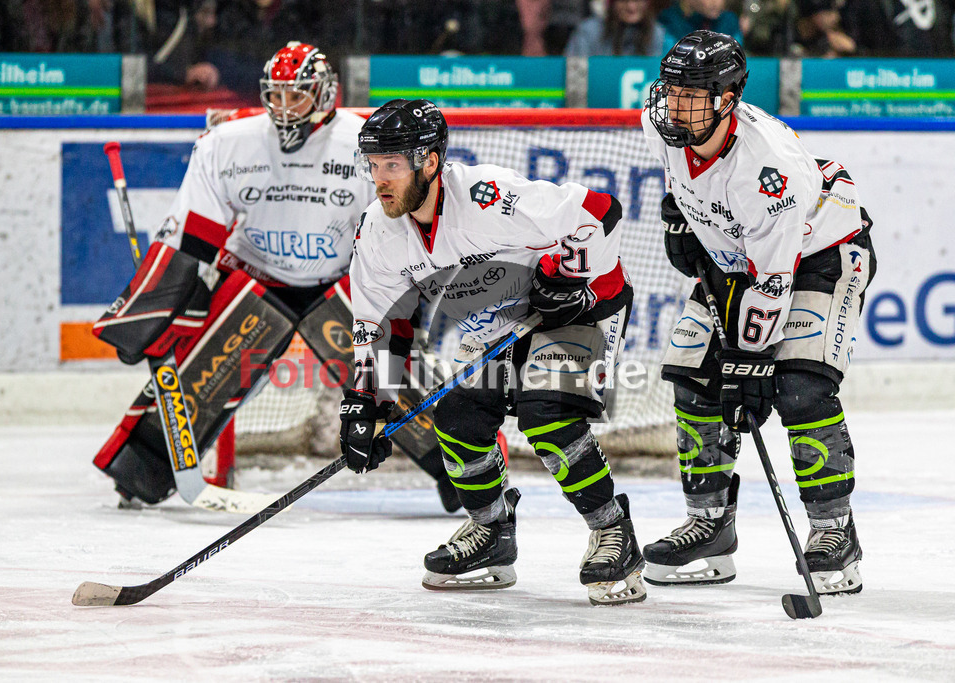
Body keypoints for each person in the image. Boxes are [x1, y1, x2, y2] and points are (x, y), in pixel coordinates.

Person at [92, 44, 459, 513]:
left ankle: (464, 468)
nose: (285, 108)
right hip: (257, 273)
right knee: (208, 367)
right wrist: (147, 311)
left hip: (344, 278)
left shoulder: (364, 141)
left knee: (390, 370)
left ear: (325, 94)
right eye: (276, 95)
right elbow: (190, 236)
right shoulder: (227, 142)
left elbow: (402, 219)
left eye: (298, 95)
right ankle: (139, 467)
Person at [339, 98, 646, 606]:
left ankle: (614, 530)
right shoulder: (378, 229)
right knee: (457, 418)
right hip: (503, 320)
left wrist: (565, 277)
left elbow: (599, 210)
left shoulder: (488, 197)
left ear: (429, 161)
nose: (380, 179)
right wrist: (367, 404)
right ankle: (491, 534)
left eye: (392, 165)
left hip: (583, 305)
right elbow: (382, 321)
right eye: (373, 165)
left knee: (547, 414)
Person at [641, 30, 876, 595]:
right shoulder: (657, 123)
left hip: (820, 255)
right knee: (693, 378)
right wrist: (682, 216)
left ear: (729, 97)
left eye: (694, 95)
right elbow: (685, 184)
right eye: (673, 91)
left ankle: (833, 532)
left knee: (799, 388)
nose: (678, 106)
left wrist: (749, 368)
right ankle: (711, 525)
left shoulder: (771, 168)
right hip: (739, 258)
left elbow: (773, 282)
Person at [564, 0, 667, 57]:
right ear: (611, 3)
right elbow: (574, 75)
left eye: (637, 0)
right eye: (623, 1)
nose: (631, 7)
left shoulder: (658, 33)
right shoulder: (588, 32)